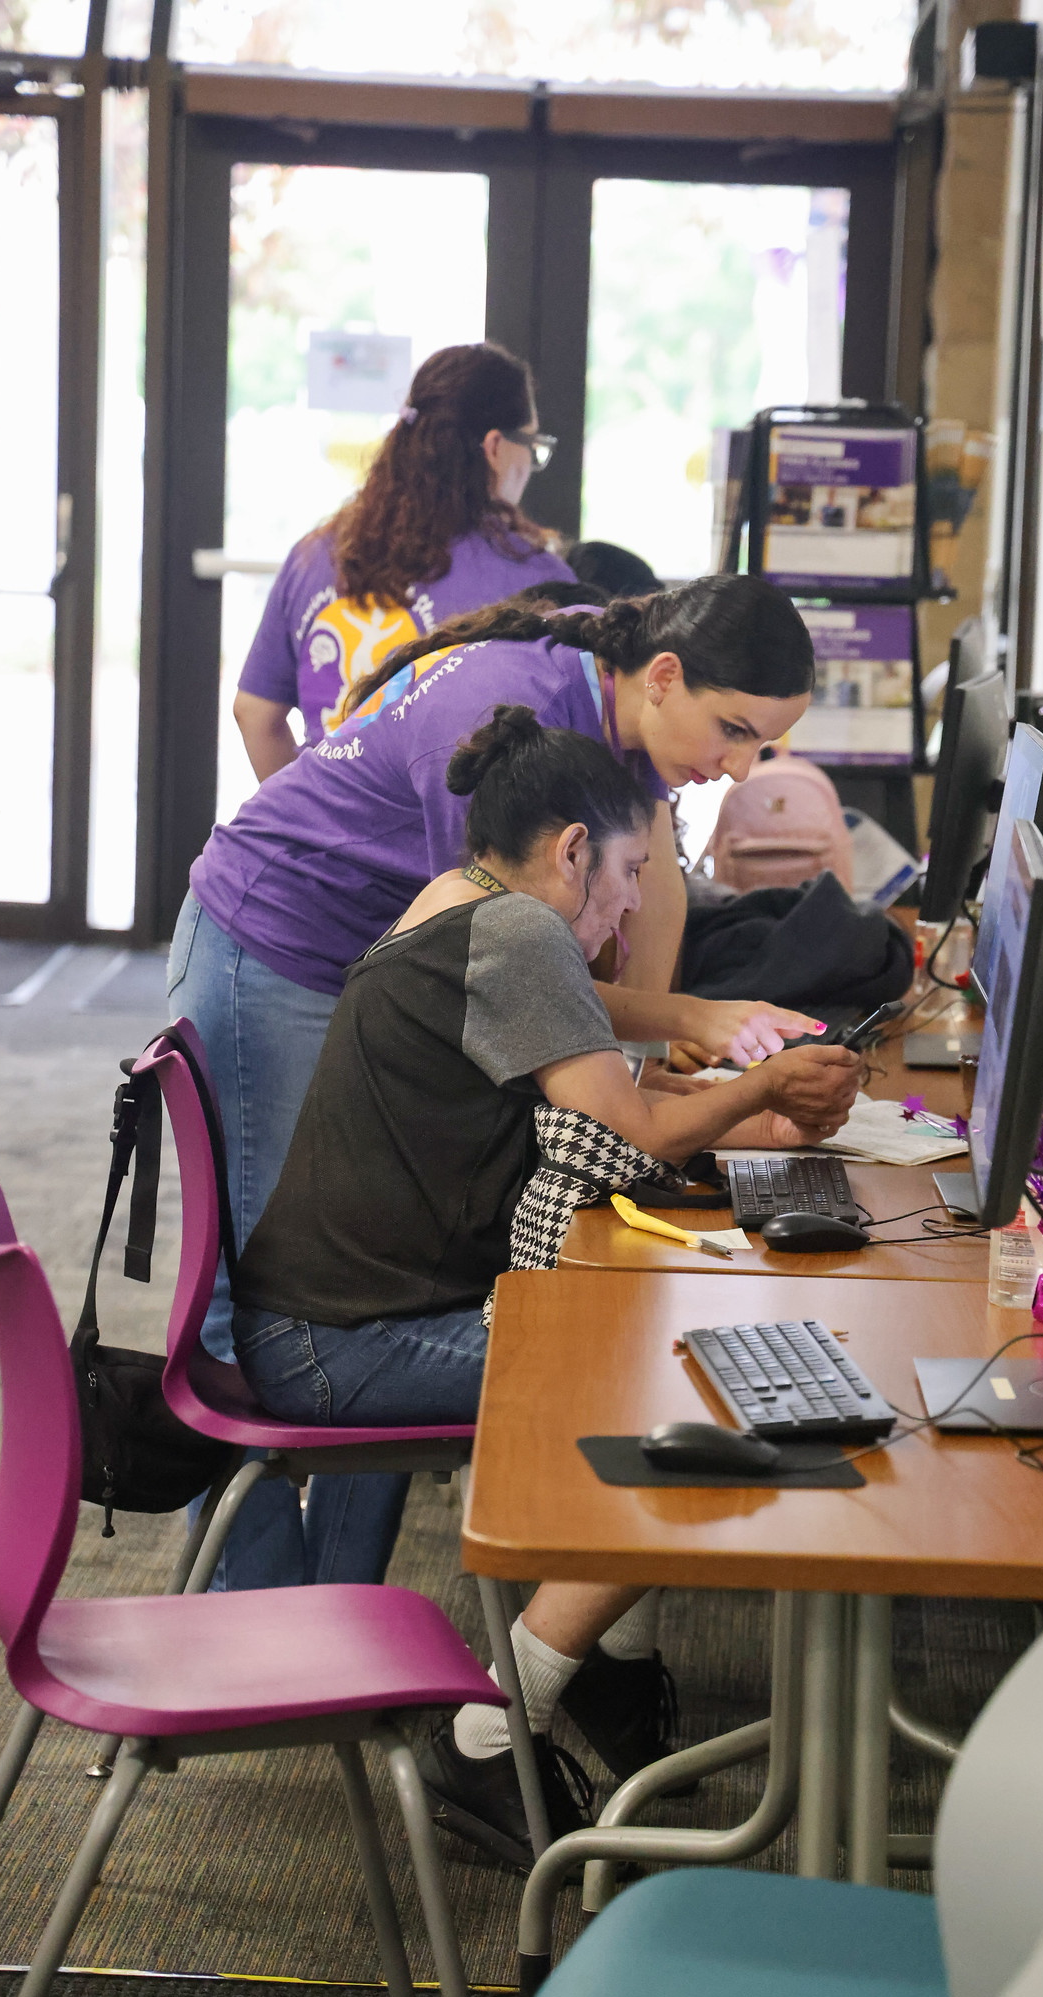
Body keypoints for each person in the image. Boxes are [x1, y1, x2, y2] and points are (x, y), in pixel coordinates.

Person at [230, 706, 861, 1866]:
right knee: (691, 1418)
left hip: (332, 1312)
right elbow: (625, 1124)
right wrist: (767, 1091)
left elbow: (620, 1107)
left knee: (662, 1344)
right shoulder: (520, 931)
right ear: (571, 849)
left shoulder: (463, 900)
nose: (628, 908)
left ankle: (610, 1671)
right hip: (343, 1341)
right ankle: (492, 1726)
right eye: (626, 873)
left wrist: (738, 1105)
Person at [170, 575, 827, 1589]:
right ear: (661, 678)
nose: (738, 766)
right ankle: (259, 1615)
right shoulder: (504, 728)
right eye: (735, 730)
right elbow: (516, 964)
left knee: (387, 1281)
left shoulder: (620, 748)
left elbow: (593, 962)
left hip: (370, 955)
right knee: (255, 1306)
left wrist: (677, 1053)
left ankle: (339, 1610)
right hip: (274, 935)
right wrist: (708, 1064)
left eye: (761, 747)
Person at [231, 341, 575, 779]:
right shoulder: (538, 580)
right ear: (494, 446)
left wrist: (306, 815)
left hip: (324, 839)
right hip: (449, 844)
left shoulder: (315, 554)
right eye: (531, 445)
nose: (530, 463)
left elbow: (255, 714)